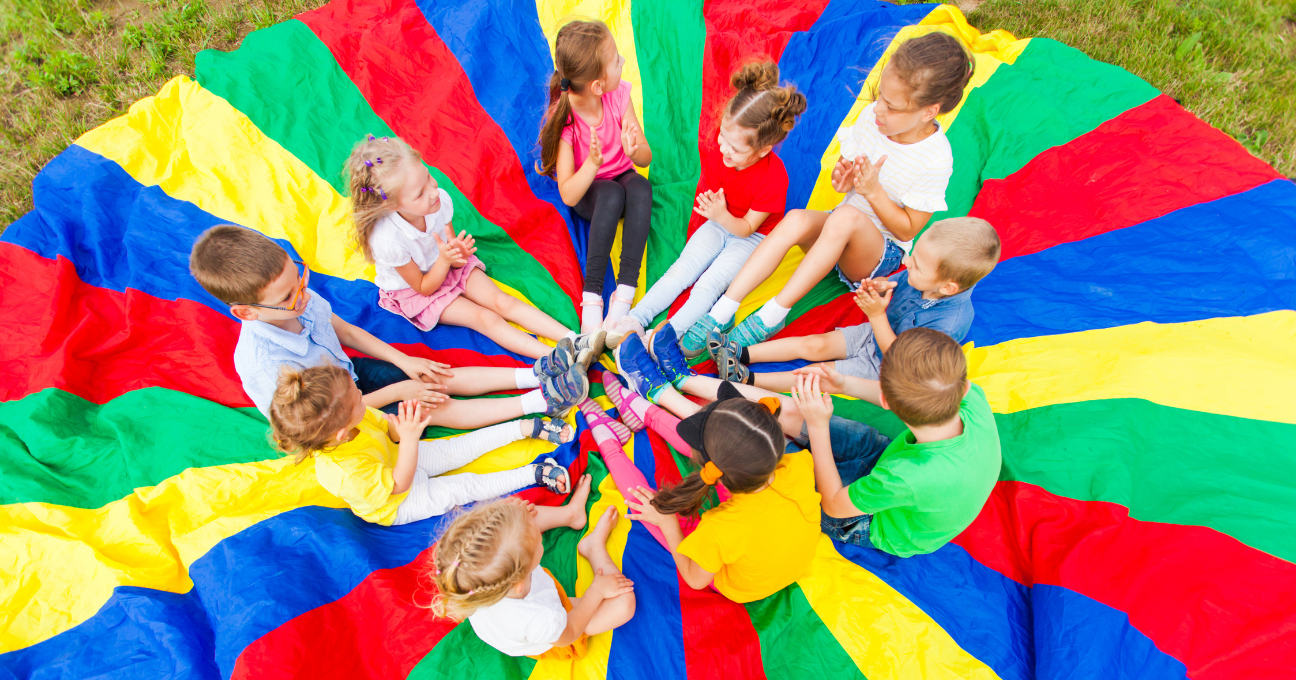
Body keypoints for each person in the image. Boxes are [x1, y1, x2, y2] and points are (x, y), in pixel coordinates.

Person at [683, 32, 974, 351]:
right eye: (879, 97)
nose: (877, 110)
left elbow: (908, 228)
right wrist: (844, 179)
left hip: (877, 256)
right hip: (837, 232)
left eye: (890, 107)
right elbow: (847, 182)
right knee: (795, 219)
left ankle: (771, 315)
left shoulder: (934, 158)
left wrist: (874, 193)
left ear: (927, 113)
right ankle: (723, 311)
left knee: (846, 216)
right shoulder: (872, 120)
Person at [189, 225, 589, 424]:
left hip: (346, 374)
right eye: (289, 296)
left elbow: (345, 332)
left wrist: (404, 361)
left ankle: (533, 373)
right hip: (336, 420)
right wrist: (401, 388)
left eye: (300, 278)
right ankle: (537, 401)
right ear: (247, 312)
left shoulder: (299, 299)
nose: (304, 294)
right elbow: (331, 421)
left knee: (434, 374)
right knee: (431, 406)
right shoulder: (267, 368)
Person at [610, 61, 804, 346]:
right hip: (720, 220)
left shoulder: (774, 177)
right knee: (681, 270)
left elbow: (747, 227)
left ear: (763, 150)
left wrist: (720, 214)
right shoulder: (720, 152)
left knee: (708, 285)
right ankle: (636, 318)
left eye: (736, 149)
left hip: (750, 236)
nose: (724, 148)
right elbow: (719, 191)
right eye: (723, 137)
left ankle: (667, 335)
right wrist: (715, 208)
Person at [346, 134, 586, 360]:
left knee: (502, 302)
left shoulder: (438, 200)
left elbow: (453, 250)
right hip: (419, 289)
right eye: (419, 194)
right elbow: (423, 287)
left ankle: (576, 342)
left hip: (445, 263)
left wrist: (458, 254)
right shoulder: (388, 240)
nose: (433, 192)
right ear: (392, 206)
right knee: (485, 318)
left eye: (428, 178)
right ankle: (555, 357)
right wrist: (445, 260)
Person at [268, 364, 582, 525]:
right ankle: (534, 474)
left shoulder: (354, 417)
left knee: (459, 447)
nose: (363, 398)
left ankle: (526, 427)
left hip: (397, 457)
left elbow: (387, 433)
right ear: (339, 432)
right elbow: (400, 484)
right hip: (397, 502)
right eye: (356, 400)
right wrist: (409, 438)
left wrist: (402, 427)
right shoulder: (343, 472)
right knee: (462, 487)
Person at [709, 216, 1000, 389]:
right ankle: (739, 352)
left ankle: (747, 379)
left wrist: (875, 315)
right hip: (875, 334)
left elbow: (900, 357)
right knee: (814, 345)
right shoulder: (923, 277)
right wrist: (882, 286)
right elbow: (900, 282)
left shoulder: (948, 322)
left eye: (918, 266)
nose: (907, 261)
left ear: (947, 287)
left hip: (890, 367)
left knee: (819, 375)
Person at [789, 328, 1001, 557]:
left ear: (885, 402)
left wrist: (818, 426)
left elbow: (833, 506)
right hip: (892, 464)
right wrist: (844, 385)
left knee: (784, 466)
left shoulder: (909, 475)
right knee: (792, 414)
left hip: (864, 521)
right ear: (965, 387)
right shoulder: (972, 396)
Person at [621, 381, 821, 603]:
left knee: (651, 509)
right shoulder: (801, 464)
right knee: (725, 449)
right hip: (796, 561)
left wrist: (668, 523)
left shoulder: (718, 528)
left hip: (745, 588)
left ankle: (614, 434)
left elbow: (695, 580)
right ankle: (641, 411)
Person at [537, 20, 653, 333]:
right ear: (597, 85)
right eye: (616, 60)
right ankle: (592, 298)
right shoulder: (565, 119)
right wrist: (591, 163)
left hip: (621, 179)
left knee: (641, 186)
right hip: (591, 194)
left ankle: (624, 293)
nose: (623, 62)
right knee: (612, 194)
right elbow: (570, 195)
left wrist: (633, 151)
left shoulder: (618, 95)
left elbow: (645, 157)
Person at [428, 495, 635, 660]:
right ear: (520, 583)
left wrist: (509, 513)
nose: (539, 535)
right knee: (624, 604)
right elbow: (570, 632)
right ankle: (594, 547)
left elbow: (508, 528)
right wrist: (596, 591)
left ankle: (571, 514)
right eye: (538, 541)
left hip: (531, 600)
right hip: (560, 633)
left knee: (521, 518)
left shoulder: (471, 572)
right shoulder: (539, 619)